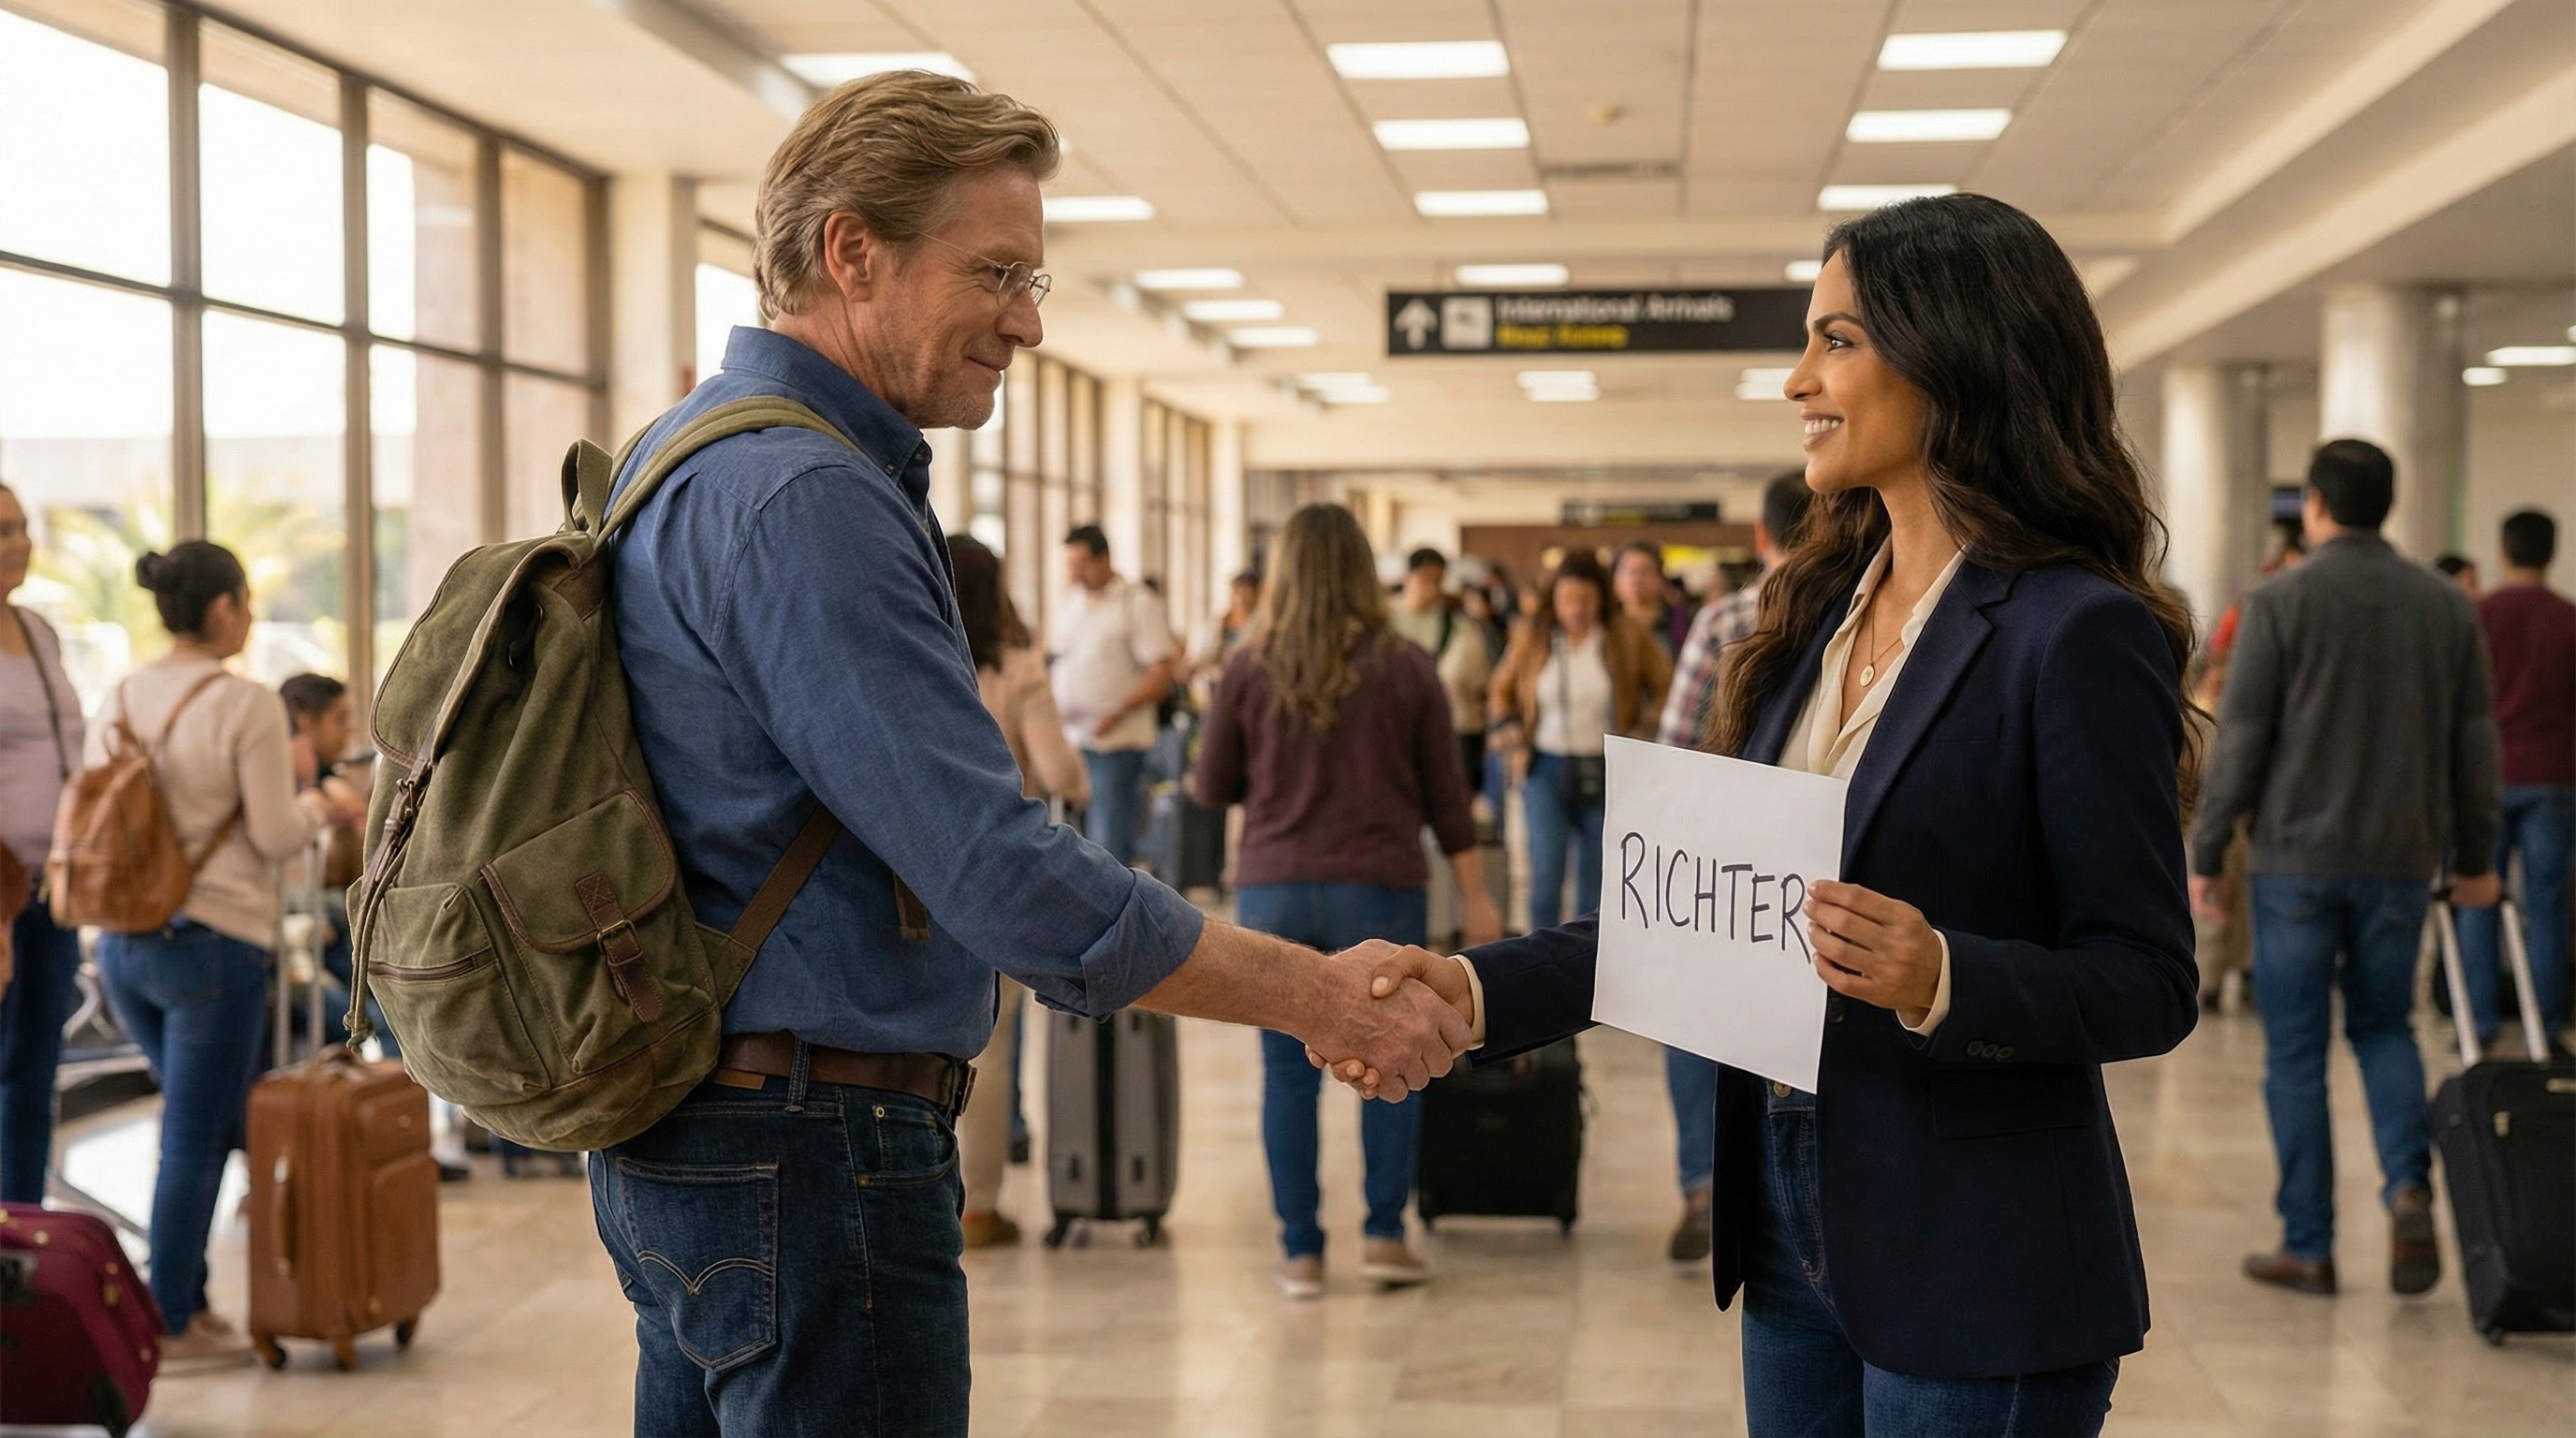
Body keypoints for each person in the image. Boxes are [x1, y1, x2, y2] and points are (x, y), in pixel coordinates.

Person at [591, 71, 1462, 1436]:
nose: (1029, 322)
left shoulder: (689, 455)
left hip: (707, 1133)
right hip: (808, 1149)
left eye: (1035, 278)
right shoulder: (807, 495)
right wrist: (1316, 999)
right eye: (996, 273)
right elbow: (997, 874)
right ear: (852, 251)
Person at [1342, 194, 2201, 1436]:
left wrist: (1940, 975)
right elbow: (1695, 912)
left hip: (1976, 1251)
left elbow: (2148, 979)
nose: (1799, 379)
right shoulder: (1809, 620)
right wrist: (1472, 992)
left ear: (1955, 353)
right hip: (1794, 1215)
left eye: (1836, 341)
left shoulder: (2075, 633)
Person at [2189, 437, 2501, 1299]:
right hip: (2401, 858)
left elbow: (2240, 741)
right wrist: (2473, 859)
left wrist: (2207, 853)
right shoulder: (2445, 608)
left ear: (2317, 506)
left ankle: (2310, 1244)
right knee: (2384, 1028)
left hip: (2294, 862)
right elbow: (2476, 746)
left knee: (2294, 1050)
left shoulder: (2279, 602)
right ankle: (2406, 1188)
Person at [1196, 505, 1500, 1299]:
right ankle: (1384, 1237)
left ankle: (1300, 1251)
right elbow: (1448, 800)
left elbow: (1211, 785)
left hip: (1274, 893)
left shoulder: (1247, 665)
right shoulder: (1406, 667)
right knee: (1396, 1058)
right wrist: (1477, 899)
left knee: (1284, 1075)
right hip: (1381, 888)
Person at [91, 542, 329, 1366]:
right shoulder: (247, 704)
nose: (254, 616)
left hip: (124, 945)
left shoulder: (119, 693)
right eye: (248, 601)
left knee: (206, 1124)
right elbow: (272, 833)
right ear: (223, 609)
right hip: (213, 945)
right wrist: (320, 807)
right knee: (193, 1138)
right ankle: (174, 1319)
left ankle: (213, 1288)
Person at [1649, 468, 1811, 1264]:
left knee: (1693, 1023)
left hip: (1717, 860)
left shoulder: (1723, 616)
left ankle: (1703, 1187)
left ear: (1760, 538)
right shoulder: (1871, 613)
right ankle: (1791, 1194)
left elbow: (1677, 742)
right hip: (1816, 875)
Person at [946, 535, 1089, 1249]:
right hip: (994, 871)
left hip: (906, 868)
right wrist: (1080, 787)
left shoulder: (913, 652)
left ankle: (924, 1197)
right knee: (991, 1046)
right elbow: (1061, 771)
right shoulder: (1017, 667)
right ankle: (980, 1206)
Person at [1487, 550, 1671, 931]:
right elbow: (1500, 690)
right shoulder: (1533, 638)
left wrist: (1642, 731)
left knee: (1597, 880)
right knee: (1545, 876)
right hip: (1544, 767)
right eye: (1567, 600)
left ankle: (1586, 971)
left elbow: (1666, 688)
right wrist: (1510, 727)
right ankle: (1538, 963)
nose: (1576, 609)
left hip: (1605, 767)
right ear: (1553, 601)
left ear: (1601, 599)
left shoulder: (1626, 636)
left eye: (1586, 600)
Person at [2456, 507, 2572, 1050]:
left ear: (2502, 550)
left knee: (2477, 898)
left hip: (2485, 782)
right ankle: (2543, 1026)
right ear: (2552, 553)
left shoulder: (2479, 617)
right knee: (2547, 908)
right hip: (2553, 778)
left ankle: (2476, 1022)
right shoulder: (2569, 620)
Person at [0, 481, 83, 1206]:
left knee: (34, 1075)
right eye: (3, 531)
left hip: (52, 889)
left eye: (23, 526)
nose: (20, 542)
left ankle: (24, 1241)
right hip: (0, 893)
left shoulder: (37, 629)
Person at [1051, 522, 1176, 865]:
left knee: (1108, 838)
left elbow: (1161, 673)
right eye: (1070, 565)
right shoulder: (1071, 602)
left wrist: (1118, 710)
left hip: (1116, 741)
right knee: (1076, 839)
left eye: (1082, 564)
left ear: (1104, 559)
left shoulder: (1137, 603)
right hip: (1073, 738)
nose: (1075, 574)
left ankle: (1116, 915)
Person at [1389, 547, 1492, 789]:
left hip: (1446, 727)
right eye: (1425, 581)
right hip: (1395, 728)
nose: (1432, 589)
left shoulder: (1460, 627)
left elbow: (1479, 684)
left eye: (1438, 581)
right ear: (1407, 578)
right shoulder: (1383, 620)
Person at [1188, 569, 1261, 697]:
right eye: (1238, 592)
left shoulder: (1263, 625)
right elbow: (1202, 656)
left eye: (1247, 592)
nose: (1242, 598)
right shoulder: (1217, 624)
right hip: (1218, 687)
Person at [1614, 540, 1692, 658]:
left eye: (1645, 572)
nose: (1636, 579)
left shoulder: (1682, 622)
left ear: (1661, 579)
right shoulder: (1606, 625)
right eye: (1629, 571)